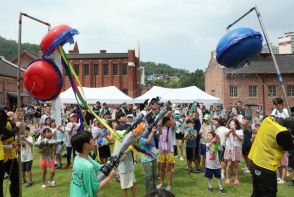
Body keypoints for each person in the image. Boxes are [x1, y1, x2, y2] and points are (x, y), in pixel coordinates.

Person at [248, 116, 294, 197]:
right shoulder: (284, 133)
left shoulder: (268, 120)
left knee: (257, 193)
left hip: (254, 161)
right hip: (266, 168)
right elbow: (289, 147)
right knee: (268, 193)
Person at [70, 131, 116, 197]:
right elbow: (95, 188)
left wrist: (115, 160)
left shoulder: (78, 158)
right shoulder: (88, 167)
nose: (94, 142)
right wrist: (110, 176)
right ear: (86, 145)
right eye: (92, 140)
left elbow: (100, 167)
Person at [0, 110, 19, 197]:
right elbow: (4, 137)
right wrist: (11, 146)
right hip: (3, 158)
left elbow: (15, 134)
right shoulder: (4, 125)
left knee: (15, 179)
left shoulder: (13, 124)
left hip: (11, 156)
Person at [157, 116, 175, 191]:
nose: (170, 122)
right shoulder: (160, 128)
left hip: (169, 151)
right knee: (161, 168)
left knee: (169, 168)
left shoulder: (170, 128)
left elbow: (173, 123)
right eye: (168, 121)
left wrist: (169, 115)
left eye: (169, 121)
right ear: (165, 122)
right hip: (161, 151)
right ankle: (161, 183)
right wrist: (160, 125)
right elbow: (159, 133)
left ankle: (169, 185)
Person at [224, 119, 243, 185]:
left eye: (233, 124)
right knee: (229, 164)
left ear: (236, 125)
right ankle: (227, 178)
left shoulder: (239, 131)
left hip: (237, 148)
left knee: (236, 164)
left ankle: (236, 179)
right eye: (230, 124)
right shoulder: (227, 130)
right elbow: (225, 135)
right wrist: (230, 132)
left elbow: (241, 139)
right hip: (229, 148)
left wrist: (235, 134)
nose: (231, 125)